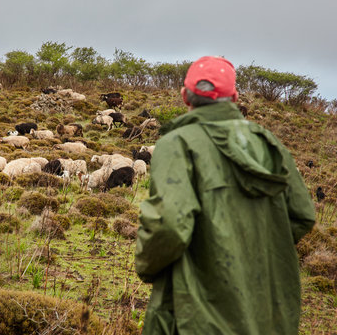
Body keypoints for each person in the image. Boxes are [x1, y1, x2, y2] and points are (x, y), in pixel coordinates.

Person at [135, 56, 315, 335]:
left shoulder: (177, 144)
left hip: (195, 313)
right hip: (266, 309)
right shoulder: (269, 144)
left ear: (185, 96)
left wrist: (146, 266)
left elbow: (169, 225)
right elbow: (303, 215)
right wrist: (251, 249)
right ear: (234, 96)